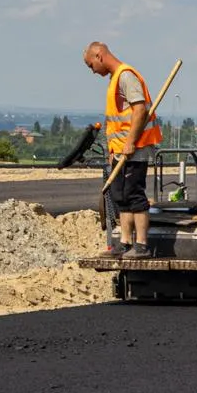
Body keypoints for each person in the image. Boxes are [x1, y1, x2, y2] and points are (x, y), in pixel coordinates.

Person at [83, 41, 164, 257]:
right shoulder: (115, 79)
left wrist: (129, 142)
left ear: (99, 56)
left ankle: (141, 245)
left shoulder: (126, 76)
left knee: (133, 195)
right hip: (120, 151)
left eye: (91, 65)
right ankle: (125, 243)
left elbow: (139, 111)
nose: (92, 71)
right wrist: (114, 149)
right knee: (120, 196)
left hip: (134, 150)